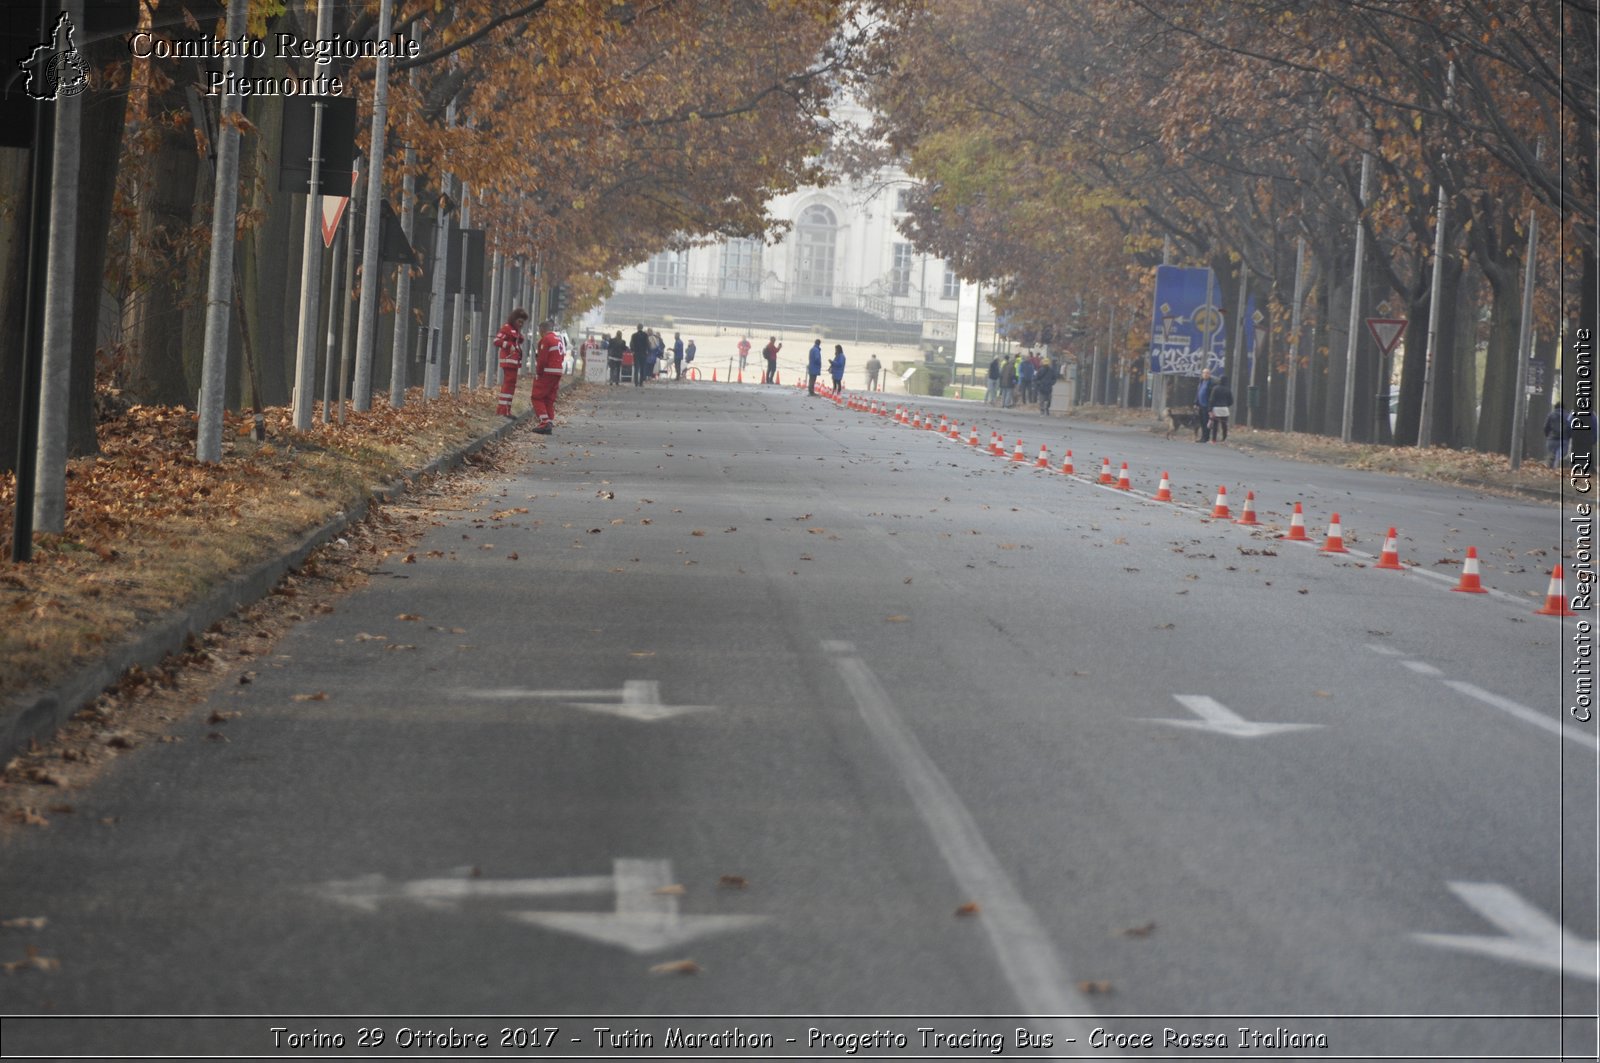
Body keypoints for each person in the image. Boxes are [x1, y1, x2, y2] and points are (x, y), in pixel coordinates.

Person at [529, 318, 564, 433]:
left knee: (537, 396)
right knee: (549, 398)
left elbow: (542, 360)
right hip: (557, 372)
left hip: (547, 372)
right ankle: (549, 420)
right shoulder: (558, 339)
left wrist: (538, 372)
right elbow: (561, 356)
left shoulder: (546, 339)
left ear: (542, 330)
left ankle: (544, 422)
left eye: (539, 332)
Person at [494, 308, 529, 416]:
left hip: (513, 361)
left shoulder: (516, 331)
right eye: (519, 322)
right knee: (508, 384)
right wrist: (509, 345)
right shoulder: (507, 328)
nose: (521, 324)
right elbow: (496, 341)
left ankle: (506, 409)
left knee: (511, 385)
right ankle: (503, 410)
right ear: (514, 320)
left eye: (522, 323)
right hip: (508, 359)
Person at [1208, 372, 1233, 442]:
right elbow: (1231, 401)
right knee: (1224, 424)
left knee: (1215, 424)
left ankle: (1214, 439)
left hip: (1216, 408)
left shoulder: (1215, 389)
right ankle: (1224, 438)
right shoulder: (1228, 390)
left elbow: (1211, 399)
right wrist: (1226, 405)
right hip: (1224, 408)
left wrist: (1210, 409)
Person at [1546, 402, 1573, 468]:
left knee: (1552, 454)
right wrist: (1569, 436)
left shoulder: (1551, 415)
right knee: (1559, 455)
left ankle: (1550, 466)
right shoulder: (1568, 416)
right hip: (1563, 440)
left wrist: (1548, 435)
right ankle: (1556, 466)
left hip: (1552, 439)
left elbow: (1546, 427)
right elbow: (1570, 427)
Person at [1195, 367, 1215, 443]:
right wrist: (1196, 403)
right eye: (1204, 373)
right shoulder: (1201, 382)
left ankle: (1206, 437)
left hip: (1207, 406)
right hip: (1200, 405)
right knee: (1202, 422)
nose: (1205, 374)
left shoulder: (1211, 383)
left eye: (1207, 373)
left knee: (1207, 422)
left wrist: (1211, 406)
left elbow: (1212, 395)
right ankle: (1203, 437)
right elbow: (1198, 393)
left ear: (1209, 374)